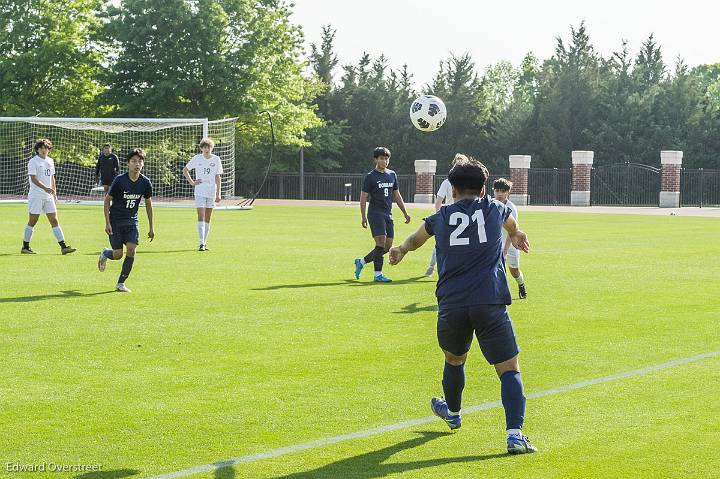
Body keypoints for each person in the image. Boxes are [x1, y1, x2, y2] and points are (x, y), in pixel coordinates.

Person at [389, 155, 537, 454]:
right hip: (490, 301)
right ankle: (515, 435)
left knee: (454, 359)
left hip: (452, 304)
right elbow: (511, 222)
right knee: (509, 369)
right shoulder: (497, 208)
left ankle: (454, 415)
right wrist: (517, 233)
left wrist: (400, 250)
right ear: (484, 190)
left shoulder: (440, 217)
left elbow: (416, 239)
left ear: (452, 190)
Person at [97, 148, 154, 293]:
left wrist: (151, 227)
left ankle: (120, 283)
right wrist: (107, 222)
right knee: (117, 255)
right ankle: (105, 253)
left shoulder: (145, 182)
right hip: (116, 221)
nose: (137, 164)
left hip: (131, 221)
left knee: (131, 249)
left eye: (140, 161)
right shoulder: (119, 180)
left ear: (143, 164)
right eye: (134, 161)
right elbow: (107, 200)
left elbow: (148, 204)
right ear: (128, 163)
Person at [354, 146, 411, 282]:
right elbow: (363, 197)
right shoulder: (370, 177)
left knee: (387, 246)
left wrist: (405, 213)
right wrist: (363, 216)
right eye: (381, 158)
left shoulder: (392, 175)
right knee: (380, 241)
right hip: (375, 213)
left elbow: (397, 195)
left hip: (387, 213)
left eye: (386, 159)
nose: (384, 161)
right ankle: (378, 274)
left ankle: (361, 262)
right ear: (376, 160)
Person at [21, 138, 76, 255]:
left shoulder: (50, 161)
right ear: (37, 149)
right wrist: (45, 188)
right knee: (33, 220)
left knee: (54, 220)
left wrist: (54, 193)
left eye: (46, 148)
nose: (44, 150)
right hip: (36, 196)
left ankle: (63, 246)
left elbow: (52, 178)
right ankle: (25, 247)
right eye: (41, 148)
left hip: (48, 196)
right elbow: (33, 179)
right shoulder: (33, 161)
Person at [182, 138, 223, 251]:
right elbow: (185, 170)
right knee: (201, 215)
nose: (206, 149)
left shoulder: (216, 159)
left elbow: (218, 177)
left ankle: (205, 242)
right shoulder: (197, 158)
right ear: (201, 148)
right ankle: (201, 243)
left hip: (211, 191)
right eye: (204, 147)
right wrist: (192, 182)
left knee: (208, 217)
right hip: (200, 190)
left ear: (211, 148)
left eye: (208, 147)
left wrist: (219, 193)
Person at [424, 157, 460, 276]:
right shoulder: (449, 182)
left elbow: (439, 201)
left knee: (442, 242)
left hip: (450, 216)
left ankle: (432, 266)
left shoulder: (447, 182)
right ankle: (434, 266)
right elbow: (438, 201)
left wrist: (439, 216)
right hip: (455, 215)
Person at [493, 178, 527, 299]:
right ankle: (496, 295)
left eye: (503, 191)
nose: (500, 194)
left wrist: (505, 250)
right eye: (497, 190)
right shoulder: (491, 204)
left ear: (508, 192)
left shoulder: (511, 208)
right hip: (494, 244)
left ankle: (521, 284)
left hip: (511, 244)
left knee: (514, 271)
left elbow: (511, 232)